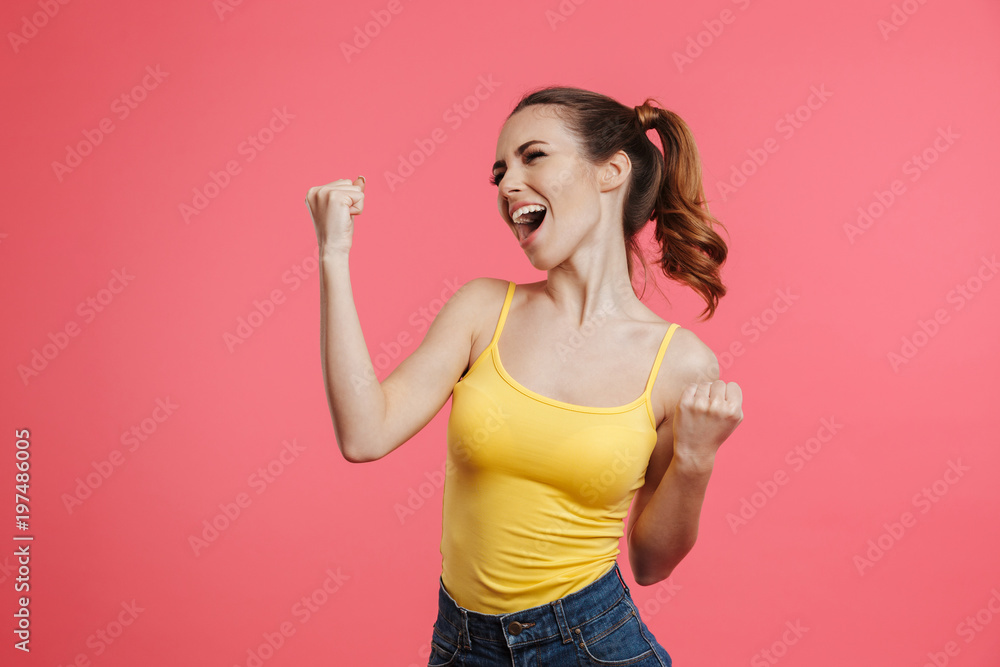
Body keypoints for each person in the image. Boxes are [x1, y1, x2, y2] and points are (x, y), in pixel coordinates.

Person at [306, 85, 744, 666]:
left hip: (589, 643)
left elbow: (651, 563)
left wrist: (695, 459)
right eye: (499, 172)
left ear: (611, 171)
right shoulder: (482, 310)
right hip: (462, 644)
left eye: (533, 157)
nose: (509, 184)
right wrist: (333, 257)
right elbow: (364, 434)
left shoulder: (679, 362)